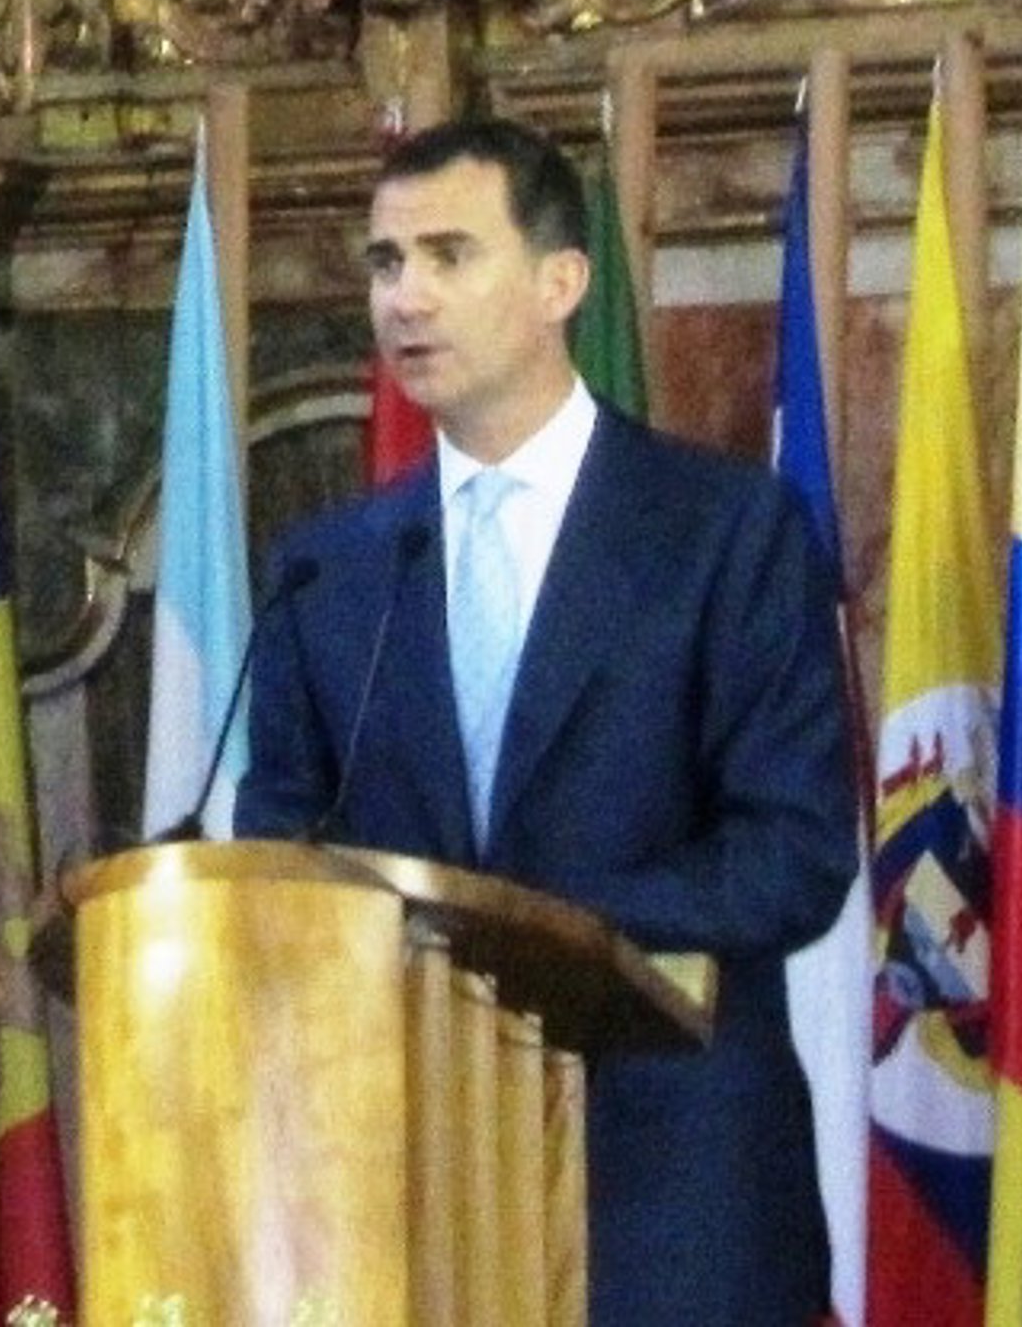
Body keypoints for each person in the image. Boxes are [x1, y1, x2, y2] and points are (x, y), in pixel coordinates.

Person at [234, 115, 858, 1325]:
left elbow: (792, 856)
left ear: (561, 281)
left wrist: (531, 929)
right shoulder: (330, 569)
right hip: (404, 1179)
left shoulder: (724, 532)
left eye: (449, 255)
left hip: (671, 1192)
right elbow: (286, 850)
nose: (406, 297)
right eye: (385, 263)